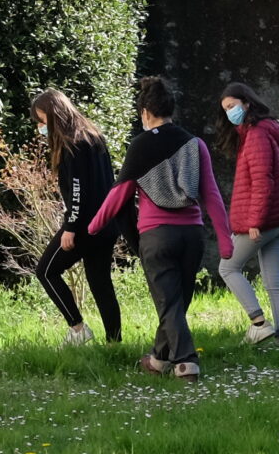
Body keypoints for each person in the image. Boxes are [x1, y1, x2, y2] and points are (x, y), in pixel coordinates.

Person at [87, 75, 234, 379]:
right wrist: (225, 239)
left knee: (169, 304)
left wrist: (93, 226)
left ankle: (186, 363)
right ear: (171, 109)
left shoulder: (140, 146)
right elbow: (212, 195)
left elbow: (120, 195)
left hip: (157, 237)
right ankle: (158, 360)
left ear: (145, 112)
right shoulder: (195, 145)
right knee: (177, 303)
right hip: (192, 236)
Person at [30, 89, 122, 347]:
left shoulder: (73, 143)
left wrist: (70, 226)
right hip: (105, 223)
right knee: (101, 283)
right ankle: (114, 343)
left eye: (42, 120)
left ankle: (77, 328)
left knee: (46, 271)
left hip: (84, 225)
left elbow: (78, 189)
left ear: (54, 115)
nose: (41, 127)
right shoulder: (94, 135)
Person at [217, 82, 279, 344]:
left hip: (264, 222)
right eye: (226, 109)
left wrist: (255, 221)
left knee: (228, 268)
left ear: (246, 103)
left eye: (232, 106)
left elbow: (263, 180)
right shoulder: (268, 130)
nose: (229, 113)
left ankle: (259, 323)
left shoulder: (257, 135)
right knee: (274, 281)